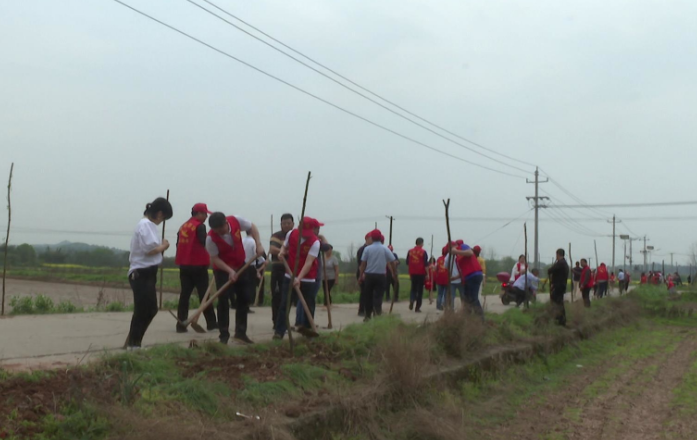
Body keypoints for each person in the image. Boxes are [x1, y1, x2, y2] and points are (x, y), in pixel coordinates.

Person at [206, 212, 264, 345]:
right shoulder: (211, 239)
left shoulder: (235, 220)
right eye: (215, 230)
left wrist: (259, 244)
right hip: (222, 270)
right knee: (223, 300)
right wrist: (230, 271)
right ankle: (224, 335)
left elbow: (252, 227)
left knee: (244, 297)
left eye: (221, 229)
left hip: (240, 265)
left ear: (226, 223)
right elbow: (215, 259)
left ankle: (240, 332)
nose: (219, 232)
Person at [126, 197, 173, 350]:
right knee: (145, 309)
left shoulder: (149, 226)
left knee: (148, 309)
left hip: (148, 272)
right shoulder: (145, 225)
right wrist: (164, 246)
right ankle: (134, 344)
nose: (162, 221)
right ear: (159, 213)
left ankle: (135, 342)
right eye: (164, 217)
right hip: (141, 273)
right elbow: (149, 250)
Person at [274, 217, 323, 339]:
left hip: (308, 278)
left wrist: (298, 278)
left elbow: (309, 262)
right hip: (288, 274)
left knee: (308, 305)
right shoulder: (291, 234)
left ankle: (307, 332)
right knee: (285, 303)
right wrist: (281, 252)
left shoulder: (315, 242)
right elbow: (285, 247)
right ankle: (279, 331)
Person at [175, 203, 217, 333]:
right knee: (204, 295)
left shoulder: (183, 227)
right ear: (199, 214)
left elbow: (178, 244)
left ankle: (180, 324)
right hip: (198, 266)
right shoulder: (200, 226)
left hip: (184, 265)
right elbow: (205, 243)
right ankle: (211, 323)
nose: (205, 217)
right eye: (205, 214)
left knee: (185, 295)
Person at [358, 229, 398, 320]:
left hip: (369, 276)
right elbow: (392, 261)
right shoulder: (385, 249)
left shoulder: (367, 249)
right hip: (381, 276)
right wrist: (394, 274)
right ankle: (377, 314)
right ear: (380, 238)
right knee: (378, 296)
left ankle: (367, 315)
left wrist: (361, 276)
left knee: (368, 296)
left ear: (372, 238)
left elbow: (363, 264)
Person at [269, 214, 294, 329]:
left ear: (293, 224)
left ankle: (284, 321)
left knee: (288, 297)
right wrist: (284, 251)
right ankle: (276, 321)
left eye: (289, 223)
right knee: (277, 297)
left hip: (291, 270)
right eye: (284, 223)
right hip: (278, 269)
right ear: (281, 224)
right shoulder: (277, 235)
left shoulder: (296, 235)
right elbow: (272, 249)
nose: (287, 225)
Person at [450, 240, 484, 318]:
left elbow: (470, 253)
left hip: (474, 275)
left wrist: (457, 250)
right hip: (468, 278)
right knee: (466, 299)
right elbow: (462, 271)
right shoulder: (457, 259)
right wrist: (454, 278)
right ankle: (467, 318)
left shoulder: (463, 247)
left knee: (473, 298)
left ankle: (480, 319)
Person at [243, 230, 267, 313]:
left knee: (244, 286)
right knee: (251, 287)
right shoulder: (253, 242)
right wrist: (263, 260)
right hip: (250, 266)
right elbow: (257, 253)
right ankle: (248, 305)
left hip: (242, 266)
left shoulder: (242, 240)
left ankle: (244, 305)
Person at [548, 249, 570, 326]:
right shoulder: (564, 263)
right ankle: (560, 319)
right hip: (561, 286)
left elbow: (550, 270)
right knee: (559, 303)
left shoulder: (560, 263)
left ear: (558, 254)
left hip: (558, 286)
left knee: (557, 303)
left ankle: (560, 320)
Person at [407, 238, 429, 312]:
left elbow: (407, 262)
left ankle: (412, 299)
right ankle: (417, 307)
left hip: (412, 273)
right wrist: (427, 274)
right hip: (421, 273)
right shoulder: (423, 252)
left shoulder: (410, 251)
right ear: (421, 243)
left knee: (413, 288)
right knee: (420, 291)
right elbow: (426, 264)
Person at [356, 233, 372, 316]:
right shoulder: (363, 249)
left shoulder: (369, 249)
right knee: (364, 293)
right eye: (370, 238)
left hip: (368, 273)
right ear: (366, 239)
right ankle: (361, 310)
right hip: (363, 273)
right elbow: (361, 263)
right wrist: (362, 274)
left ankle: (367, 309)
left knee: (367, 293)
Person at [434, 244, 450, 310]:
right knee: (446, 293)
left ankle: (438, 306)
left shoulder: (439, 259)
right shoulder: (449, 258)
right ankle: (445, 305)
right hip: (447, 277)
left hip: (439, 277)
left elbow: (435, 268)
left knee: (439, 293)